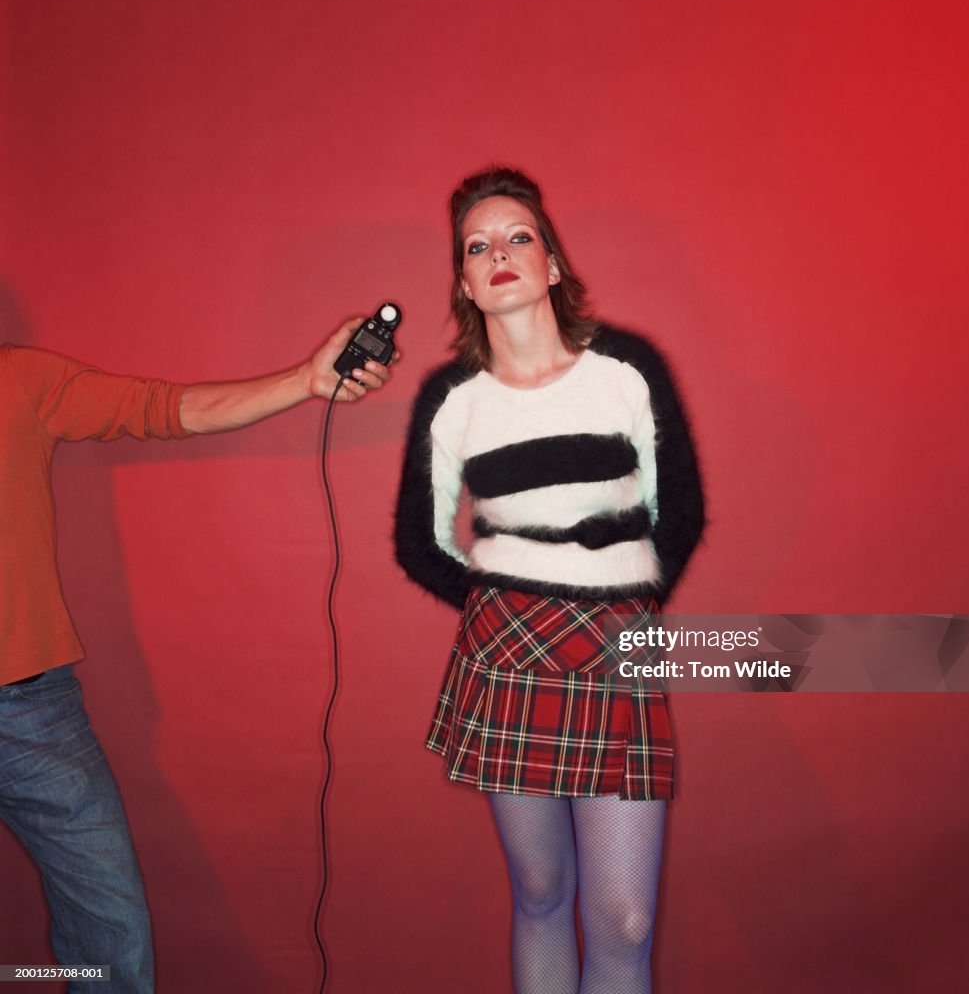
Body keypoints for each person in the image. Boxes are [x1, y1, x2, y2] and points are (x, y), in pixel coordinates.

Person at [0, 319, 394, 993]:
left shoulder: (17, 379)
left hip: (31, 709)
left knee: (110, 934)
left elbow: (163, 408)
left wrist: (305, 380)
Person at [395, 168, 704, 994]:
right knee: (540, 893)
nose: (499, 252)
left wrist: (616, 606)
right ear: (464, 281)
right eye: (477, 245)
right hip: (507, 651)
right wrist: (511, 603)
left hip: (615, 645)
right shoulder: (450, 400)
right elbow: (418, 545)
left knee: (625, 920)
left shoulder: (626, 370)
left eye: (519, 237)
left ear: (553, 264)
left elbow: (681, 516)